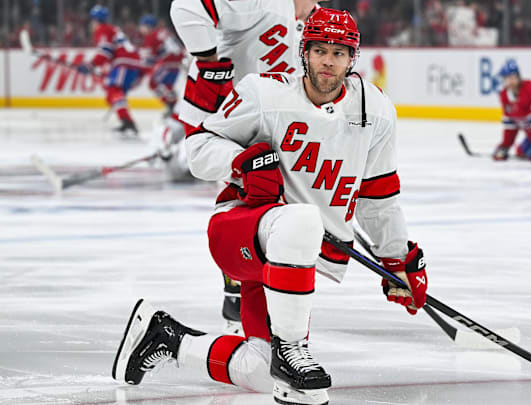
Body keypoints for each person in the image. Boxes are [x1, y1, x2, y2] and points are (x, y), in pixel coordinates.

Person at [112, 8, 429, 405]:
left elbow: (378, 196)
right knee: (302, 221)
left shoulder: (375, 112)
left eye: (338, 52)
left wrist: (397, 259)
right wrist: (242, 162)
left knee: (262, 372)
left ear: (353, 59)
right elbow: (198, 150)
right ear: (304, 52)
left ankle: (164, 338)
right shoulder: (265, 94)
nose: (328, 61)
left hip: (289, 256)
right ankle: (293, 349)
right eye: (319, 51)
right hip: (239, 228)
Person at [170, 0, 328, 323]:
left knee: (275, 201)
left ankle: (250, 284)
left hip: (257, 125)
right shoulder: (265, 2)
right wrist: (210, 64)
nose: (318, 5)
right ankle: (239, 281)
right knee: (253, 187)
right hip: (219, 122)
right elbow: (185, 7)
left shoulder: (304, 27)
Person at [78, 5, 144, 137]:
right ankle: (126, 121)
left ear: (95, 20)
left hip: (124, 62)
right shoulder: (112, 29)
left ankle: (128, 123)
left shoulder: (102, 29)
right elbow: (111, 52)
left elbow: (105, 52)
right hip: (129, 62)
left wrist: (90, 65)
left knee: (113, 91)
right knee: (113, 94)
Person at [138, 14, 184, 114]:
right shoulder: (164, 31)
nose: (141, 29)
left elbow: (149, 60)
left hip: (167, 63)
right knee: (168, 85)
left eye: (142, 26)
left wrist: (141, 72)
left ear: (148, 26)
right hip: (177, 63)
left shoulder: (151, 35)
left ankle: (171, 105)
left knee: (152, 83)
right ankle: (173, 106)